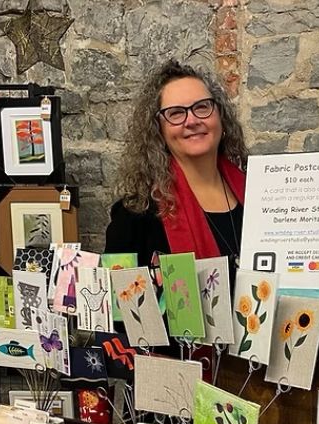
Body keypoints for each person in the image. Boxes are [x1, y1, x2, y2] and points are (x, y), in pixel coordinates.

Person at [104, 60, 248, 272]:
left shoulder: (259, 196)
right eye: (176, 113)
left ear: (221, 117)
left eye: (202, 107)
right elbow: (120, 300)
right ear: (158, 131)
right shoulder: (135, 216)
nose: (191, 120)